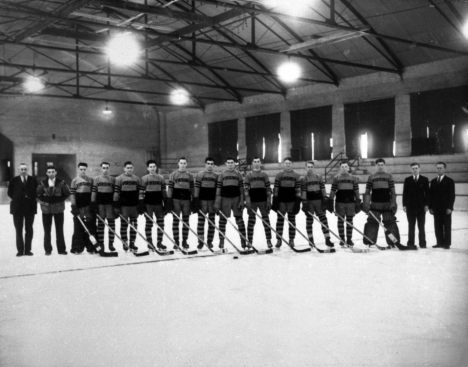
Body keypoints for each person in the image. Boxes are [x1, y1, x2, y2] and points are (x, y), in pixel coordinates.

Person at [361, 158, 403, 249]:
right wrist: (366, 204)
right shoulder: (371, 176)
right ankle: (370, 241)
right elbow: (367, 191)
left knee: (390, 223)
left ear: (384, 165)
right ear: (376, 166)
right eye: (378, 165)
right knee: (372, 223)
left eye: (382, 165)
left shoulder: (389, 176)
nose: (380, 166)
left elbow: (392, 191)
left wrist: (393, 203)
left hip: (386, 204)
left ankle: (393, 241)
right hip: (375, 204)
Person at [214, 156, 248, 249]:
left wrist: (242, 201)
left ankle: (243, 241)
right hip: (225, 200)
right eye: (228, 162)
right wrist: (217, 203)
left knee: (239, 220)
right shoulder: (222, 174)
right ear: (225, 164)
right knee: (222, 221)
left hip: (236, 199)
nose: (230, 164)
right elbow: (219, 190)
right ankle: (221, 242)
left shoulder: (238, 174)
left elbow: (241, 190)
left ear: (234, 163)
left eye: (232, 162)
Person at [37, 165, 70, 255]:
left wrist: (60, 201)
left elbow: (67, 193)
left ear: (56, 172)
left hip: (58, 210)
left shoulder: (61, 183)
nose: (51, 173)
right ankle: (48, 250)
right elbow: (37, 194)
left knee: (60, 230)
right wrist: (44, 201)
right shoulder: (42, 183)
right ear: (46, 173)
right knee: (47, 231)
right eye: (49, 172)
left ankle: (61, 250)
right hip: (46, 210)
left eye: (53, 172)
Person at [301, 161, 334, 247]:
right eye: (308, 167)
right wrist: (304, 203)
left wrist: (325, 200)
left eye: (311, 167)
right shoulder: (303, 179)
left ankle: (327, 239)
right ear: (306, 168)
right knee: (309, 221)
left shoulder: (318, 177)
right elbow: (303, 191)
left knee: (323, 220)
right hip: (309, 202)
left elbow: (322, 189)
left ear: (314, 167)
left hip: (319, 201)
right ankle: (311, 240)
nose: (310, 168)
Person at [8, 163, 38, 257]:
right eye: (22, 169)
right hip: (17, 208)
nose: (23, 171)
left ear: (27, 170)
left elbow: (36, 192)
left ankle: (28, 250)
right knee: (18, 229)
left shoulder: (33, 180)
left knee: (29, 229)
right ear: (18, 170)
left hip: (29, 208)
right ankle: (20, 250)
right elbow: (10, 193)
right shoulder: (13, 180)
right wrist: (18, 199)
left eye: (25, 169)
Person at [271, 157, 301, 248]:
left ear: (292, 164)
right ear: (284, 164)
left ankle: (291, 239)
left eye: (289, 163)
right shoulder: (279, 174)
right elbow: (276, 189)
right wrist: (275, 200)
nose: (288, 165)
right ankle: (279, 239)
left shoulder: (296, 175)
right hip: (281, 201)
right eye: (286, 163)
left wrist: (297, 202)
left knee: (292, 221)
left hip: (292, 201)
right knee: (280, 221)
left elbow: (298, 190)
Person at [328, 160, 360, 246]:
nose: (344, 168)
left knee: (350, 221)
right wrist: (330, 201)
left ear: (349, 167)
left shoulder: (354, 178)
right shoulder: (336, 178)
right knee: (340, 221)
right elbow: (333, 191)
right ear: (340, 168)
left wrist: (358, 201)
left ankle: (349, 239)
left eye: (346, 167)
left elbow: (356, 191)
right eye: (342, 167)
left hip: (351, 203)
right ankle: (342, 239)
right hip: (339, 202)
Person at [113, 161, 142, 252]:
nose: (129, 169)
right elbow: (116, 193)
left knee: (134, 225)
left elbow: (139, 193)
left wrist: (140, 204)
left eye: (131, 168)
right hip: (124, 207)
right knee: (124, 225)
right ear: (124, 168)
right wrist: (116, 206)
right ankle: (125, 242)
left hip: (134, 206)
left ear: (133, 168)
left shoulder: (137, 179)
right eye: (128, 168)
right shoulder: (119, 179)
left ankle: (132, 243)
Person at [167, 157, 195, 249]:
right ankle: (176, 241)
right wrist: (169, 200)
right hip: (176, 200)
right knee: (176, 221)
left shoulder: (190, 175)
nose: (183, 165)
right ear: (178, 164)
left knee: (186, 221)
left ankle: (184, 241)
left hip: (186, 200)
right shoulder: (173, 175)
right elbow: (170, 189)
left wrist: (193, 200)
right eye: (181, 163)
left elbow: (192, 189)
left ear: (186, 164)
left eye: (184, 163)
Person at [244, 157, 273, 248]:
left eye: (258, 162)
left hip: (263, 201)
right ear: (252, 163)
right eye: (255, 162)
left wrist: (269, 201)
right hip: (252, 202)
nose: (256, 163)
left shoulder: (264, 174)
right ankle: (250, 241)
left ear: (260, 163)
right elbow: (246, 190)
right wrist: (247, 201)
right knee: (251, 221)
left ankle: (268, 240)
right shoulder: (249, 175)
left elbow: (268, 189)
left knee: (266, 221)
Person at [140, 160, 168, 251]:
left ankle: (159, 242)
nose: (152, 168)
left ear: (156, 167)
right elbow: (141, 193)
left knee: (161, 223)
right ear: (147, 168)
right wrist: (142, 204)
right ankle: (150, 242)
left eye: (154, 166)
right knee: (149, 224)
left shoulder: (161, 178)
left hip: (158, 204)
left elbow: (164, 191)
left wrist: (166, 203)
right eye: (150, 167)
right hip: (148, 204)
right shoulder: (144, 178)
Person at [70, 162, 96, 254]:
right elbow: (72, 194)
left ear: (86, 169)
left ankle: (91, 247)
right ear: (78, 169)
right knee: (78, 228)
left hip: (88, 207)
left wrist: (93, 203)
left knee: (90, 227)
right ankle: (77, 248)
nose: (83, 171)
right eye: (81, 169)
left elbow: (93, 193)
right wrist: (73, 206)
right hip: (79, 207)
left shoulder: (91, 180)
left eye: (84, 169)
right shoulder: (74, 181)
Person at [402, 163, 429, 249]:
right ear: (411, 169)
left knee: (421, 226)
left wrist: (427, 205)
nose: (415, 170)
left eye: (416, 168)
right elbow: (405, 194)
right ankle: (410, 243)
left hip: (421, 207)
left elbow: (427, 194)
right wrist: (404, 205)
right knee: (411, 226)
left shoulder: (425, 179)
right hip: (410, 207)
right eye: (413, 168)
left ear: (419, 169)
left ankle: (423, 243)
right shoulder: (407, 180)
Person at [429, 162, 455, 249]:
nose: (439, 169)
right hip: (436, 208)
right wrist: (430, 207)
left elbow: (452, 195)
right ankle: (439, 242)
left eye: (441, 168)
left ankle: (447, 243)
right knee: (437, 226)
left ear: (444, 169)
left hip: (446, 208)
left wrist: (450, 207)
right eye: (438, 168)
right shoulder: (433, 181)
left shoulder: (450, 181)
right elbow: (431, 195)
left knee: (447, 226)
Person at [193, 157, 218, 249]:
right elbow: (197, 188)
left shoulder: (216, 176)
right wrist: (196, 200)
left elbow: (217, 191)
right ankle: (200, 241)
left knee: (211, 223)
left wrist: (217, 203)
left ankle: (210, 241)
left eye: (211, 164)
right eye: (208, 163)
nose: (210, 165)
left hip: (211, 202)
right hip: (202, 202)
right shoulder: (200, 174)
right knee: (200, 223)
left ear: (214, 165)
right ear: (205, 164)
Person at [91, 162, 116, 251]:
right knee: (101, 225)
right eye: (104, 168)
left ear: (109, 169)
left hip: (109, 205)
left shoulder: (113, 179)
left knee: (111, 225)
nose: (105, 170)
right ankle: (101, 244)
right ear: (101, 169)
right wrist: (93, 203)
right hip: (100, 205)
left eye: (107, 168)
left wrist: (115, 204)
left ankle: (111, 244)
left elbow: (115, 193)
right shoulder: (96, 179)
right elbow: (94, 192)